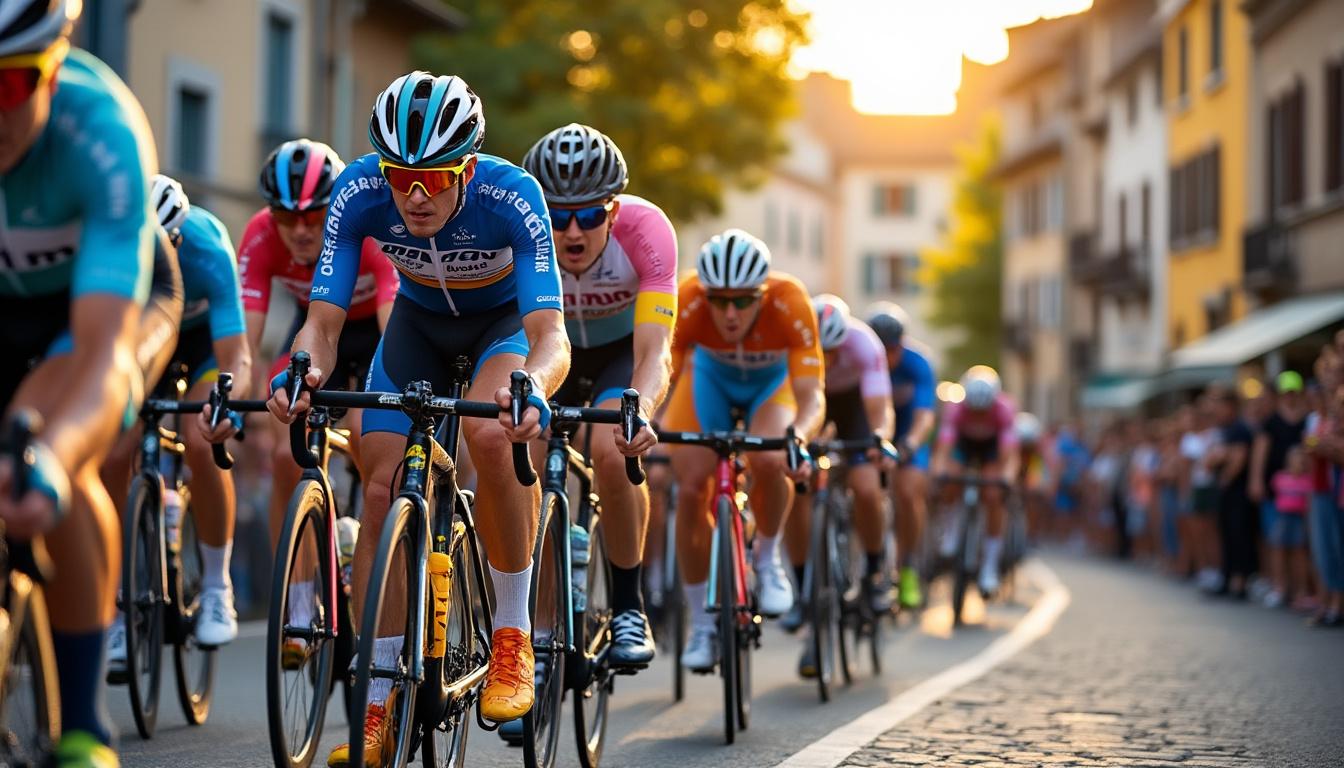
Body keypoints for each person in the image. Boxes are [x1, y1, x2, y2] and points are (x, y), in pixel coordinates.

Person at [265, 71, 569, 767]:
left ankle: (513, 637)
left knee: (493, 434)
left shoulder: (512, 196)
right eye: (403, 176)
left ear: (467, 167)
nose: (417, 195)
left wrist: (534, 384)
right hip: (417, 329)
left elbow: (550, 333)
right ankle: (376, 701)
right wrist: (302, 369)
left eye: (435, 177)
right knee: (378, 492)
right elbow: (322, 323)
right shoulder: (361, 192)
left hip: (500, 331)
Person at [0, 1, 166, 763]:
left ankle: (80, 728)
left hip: (91, 315)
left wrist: (53, 459)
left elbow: (100, 357)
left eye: (6, 87)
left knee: (41, 440)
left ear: (53, 71)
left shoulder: (101, 131)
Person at [520, 123, 674, 668]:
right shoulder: (519, 230)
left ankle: (630, 606)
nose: (572, 232)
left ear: (613, 210)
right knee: (522, 456)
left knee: (614, 449)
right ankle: (530, 634)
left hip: (617, 357)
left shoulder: (648, 230)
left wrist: (642, 407)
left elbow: (655, 351)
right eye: (557, 217)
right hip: (547, 352)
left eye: (588, 215)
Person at [105, 176, 251, 673]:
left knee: (198, 435)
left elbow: (237, 354)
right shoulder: (111, 244)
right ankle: (115, 608)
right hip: (145, 342)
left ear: (178, 238)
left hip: (202, 346)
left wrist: (225, 402)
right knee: (112, 448)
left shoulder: (208, 248)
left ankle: (215, 585)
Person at [238, 139, 398, 592]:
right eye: (288, 217)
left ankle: (378, 556)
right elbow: (245, 341)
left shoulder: (363, 231)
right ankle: (297, 591)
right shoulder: (261, 236)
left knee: (372, 434)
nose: (302, 229)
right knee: (286, 451)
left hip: (375, 332)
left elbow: (394, 333)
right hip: (315, 329)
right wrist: (235, 397)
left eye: (315, 214)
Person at [662, 229, 821, 673]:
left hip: (770, 389)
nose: (730, 313)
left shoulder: (790, 300)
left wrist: (800, 435)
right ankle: (702, 623)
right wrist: (648, 421)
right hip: (708, 383)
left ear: (763, 293)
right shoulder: (689, 298)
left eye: (744, 300)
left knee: (770, 459)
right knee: (692, 487)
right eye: (719, 300)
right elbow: (664, 370)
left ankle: (767, 560)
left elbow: (811, 394)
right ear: (706, 293)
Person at [783, 294, 894, 678]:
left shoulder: (864, 344)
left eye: (832, 351)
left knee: (866, 486)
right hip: (807, 402)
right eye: (820, 350)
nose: (827, 359)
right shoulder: (793, 341)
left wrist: (879, 440)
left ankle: (877, 571)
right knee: (795, 490)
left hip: (853, 409)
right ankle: (802, 590)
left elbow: (880, 411)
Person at [867, 302, 935, 609]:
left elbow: (925, 416)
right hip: (871, 436)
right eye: (880, 349)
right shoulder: (863, 361)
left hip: (907, 437)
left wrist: (911, 443)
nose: (886, 357)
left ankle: (907, 568)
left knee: (908, 493)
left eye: (892, 349)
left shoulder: (917, 363)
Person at [931, 366, 1018, 595]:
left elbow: (1009, 455)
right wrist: (939, 470)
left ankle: (989, 565)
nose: (979, 416)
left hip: (991, 450)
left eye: (984, 411)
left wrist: (1007, 478)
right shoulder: (955, 409)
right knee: (950, 477)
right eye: (974, 411)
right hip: (963, 446)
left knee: (993, 494)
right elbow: (944, 449)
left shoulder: (1004, 410)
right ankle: (950, 529)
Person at [1248, 371, 1308, 607]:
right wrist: (1256, 480)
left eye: (1293, 392)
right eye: (1286, 393)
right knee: (1276, 540)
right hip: (1276, 490)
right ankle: (1279, 586)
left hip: (1302, 490)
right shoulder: (1271, 422)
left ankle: (1301, 590)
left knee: (1299, 544)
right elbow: (1260, 452)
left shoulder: (1307, 419)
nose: (1290, 397)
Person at [1207, 388, 1255, 599]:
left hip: (1238, 492)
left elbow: (1238, 459)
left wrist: (1224, 476)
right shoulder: (1224, 430)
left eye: (1220, 405)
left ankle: (1240, 582)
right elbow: (1210, 460)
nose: (1216, 410)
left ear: (1231, 406)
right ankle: (1227, 578)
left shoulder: (1239, 429)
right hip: (1227, 493)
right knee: (1226, 534)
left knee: (1239, 536)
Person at [1270, 446, 1312, 608]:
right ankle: (1279, 588)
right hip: (1282, 518)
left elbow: (1308, 504)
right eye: (1294, 459)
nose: (1298, 463)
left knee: (1299, 554)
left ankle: (1300, 591)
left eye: (1301, 460)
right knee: (1278, 551)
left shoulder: (1307, 480)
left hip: (1299, 519)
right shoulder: (1279, 477)